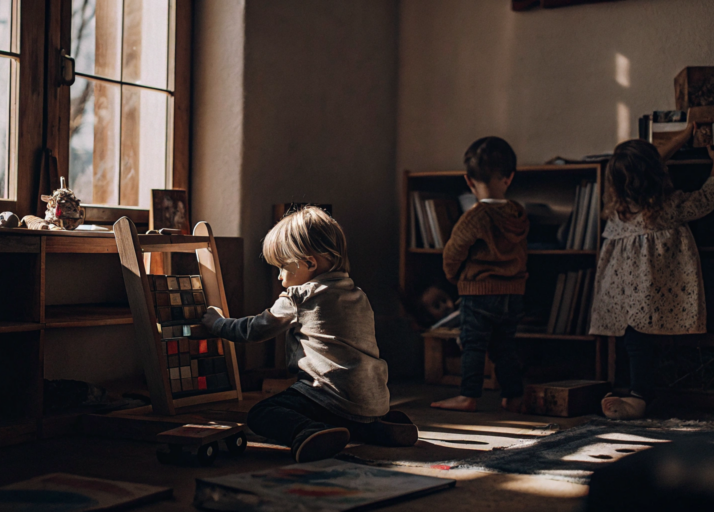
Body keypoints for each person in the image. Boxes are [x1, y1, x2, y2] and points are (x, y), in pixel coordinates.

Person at [201, 206, 417, 462]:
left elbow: (254, 330)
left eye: (281, 267)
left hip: (327, 397)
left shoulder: (299, 297)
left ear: (309, 262)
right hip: (372, 399)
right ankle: (379, 427)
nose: (280, 277)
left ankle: (308, 431)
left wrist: (217, 323)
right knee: (349, 410)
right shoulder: (358, 295)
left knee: (263, 412)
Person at [589, 124, 714, 419]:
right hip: (648, 291)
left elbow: (643, 165)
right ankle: (635, 395)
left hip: (627, 294)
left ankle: (637, 396)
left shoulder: (617, 210)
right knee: (636, 342)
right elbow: (707, 198)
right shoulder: (668, 207)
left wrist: (680, 137)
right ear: (658, 174)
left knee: (632, 342)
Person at [431, 136, 530, 413]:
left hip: (479, 294)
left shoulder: (474, 217)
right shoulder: (517, 214)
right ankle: (513, 395)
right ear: (509, 178)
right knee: (504, 348)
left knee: (473, 345)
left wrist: (455, 278)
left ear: (469, 181)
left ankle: (468, 396)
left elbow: (453, 253)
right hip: (513, 294)